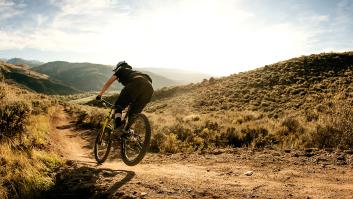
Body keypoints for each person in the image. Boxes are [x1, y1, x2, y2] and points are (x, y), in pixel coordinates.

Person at [96, 61, 154, 132]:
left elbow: (108, 83)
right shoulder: (137, 72)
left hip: (135, 83)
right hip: (149, 89)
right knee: (133, 114)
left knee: (118, 107)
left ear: (118, 67)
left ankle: (117, 128)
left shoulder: (120, 70)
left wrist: (100, 95)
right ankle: (126, 131)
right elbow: (148, 82)